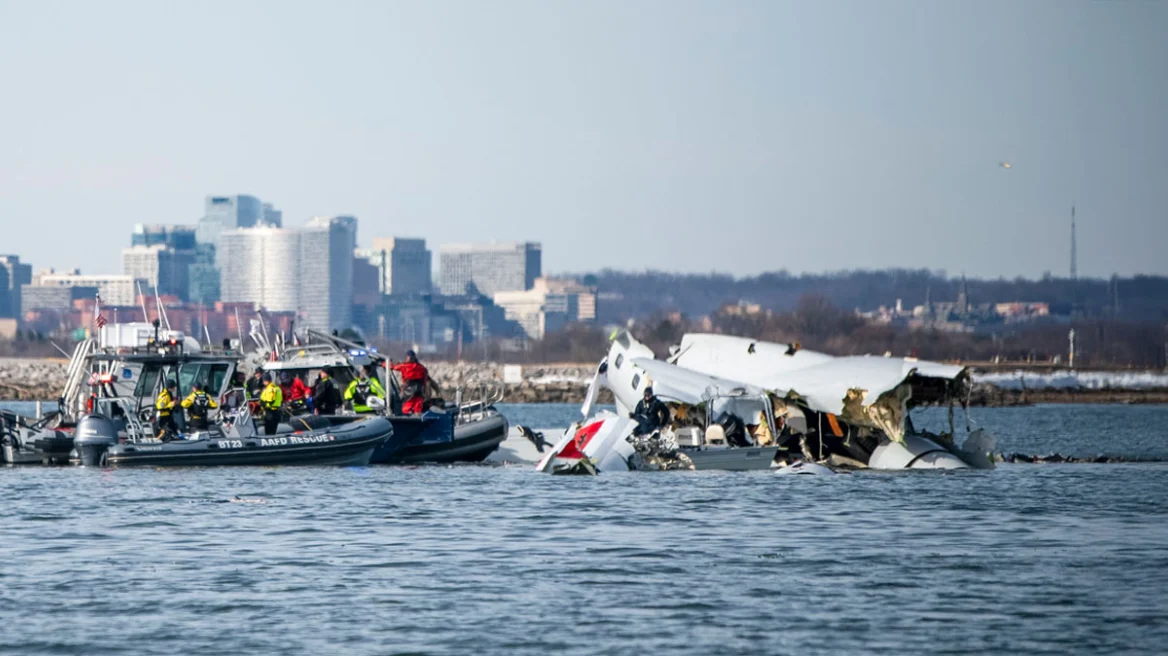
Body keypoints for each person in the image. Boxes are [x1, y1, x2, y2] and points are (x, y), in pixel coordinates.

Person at [390, 350, 434, 415]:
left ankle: (406, 421)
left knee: (406, 408)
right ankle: (418, 421)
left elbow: (393, 367)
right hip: (419, 391)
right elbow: (424, 380)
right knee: (418, 409)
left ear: (408, 357)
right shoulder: (422, 368)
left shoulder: (405, 366)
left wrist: (383, 364)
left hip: (409, 392)